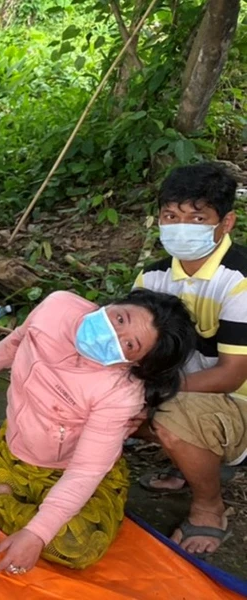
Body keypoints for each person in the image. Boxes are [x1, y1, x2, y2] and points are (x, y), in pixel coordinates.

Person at [0, 289, 195, 573]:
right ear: (114, 303)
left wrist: (37, 535)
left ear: (137, 364)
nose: (113, 335)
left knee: (77, 545)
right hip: (8, 454)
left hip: (62, 474)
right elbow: (17, 341)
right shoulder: (58, 307)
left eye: (129, 345)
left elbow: (85, 472)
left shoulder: (120, 393)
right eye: (120, 319)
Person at [134, 163, 247, 557]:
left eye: (197, 218)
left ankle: (210, 508)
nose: (181, 227)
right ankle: (193, 461)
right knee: (103, 394)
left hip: (238, 403)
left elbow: (231, 376)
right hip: (185, 397)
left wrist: (151, 391)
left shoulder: (240, 281)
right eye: (171, 216)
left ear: (225, 222)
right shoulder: (152, 279)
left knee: (166, 413)